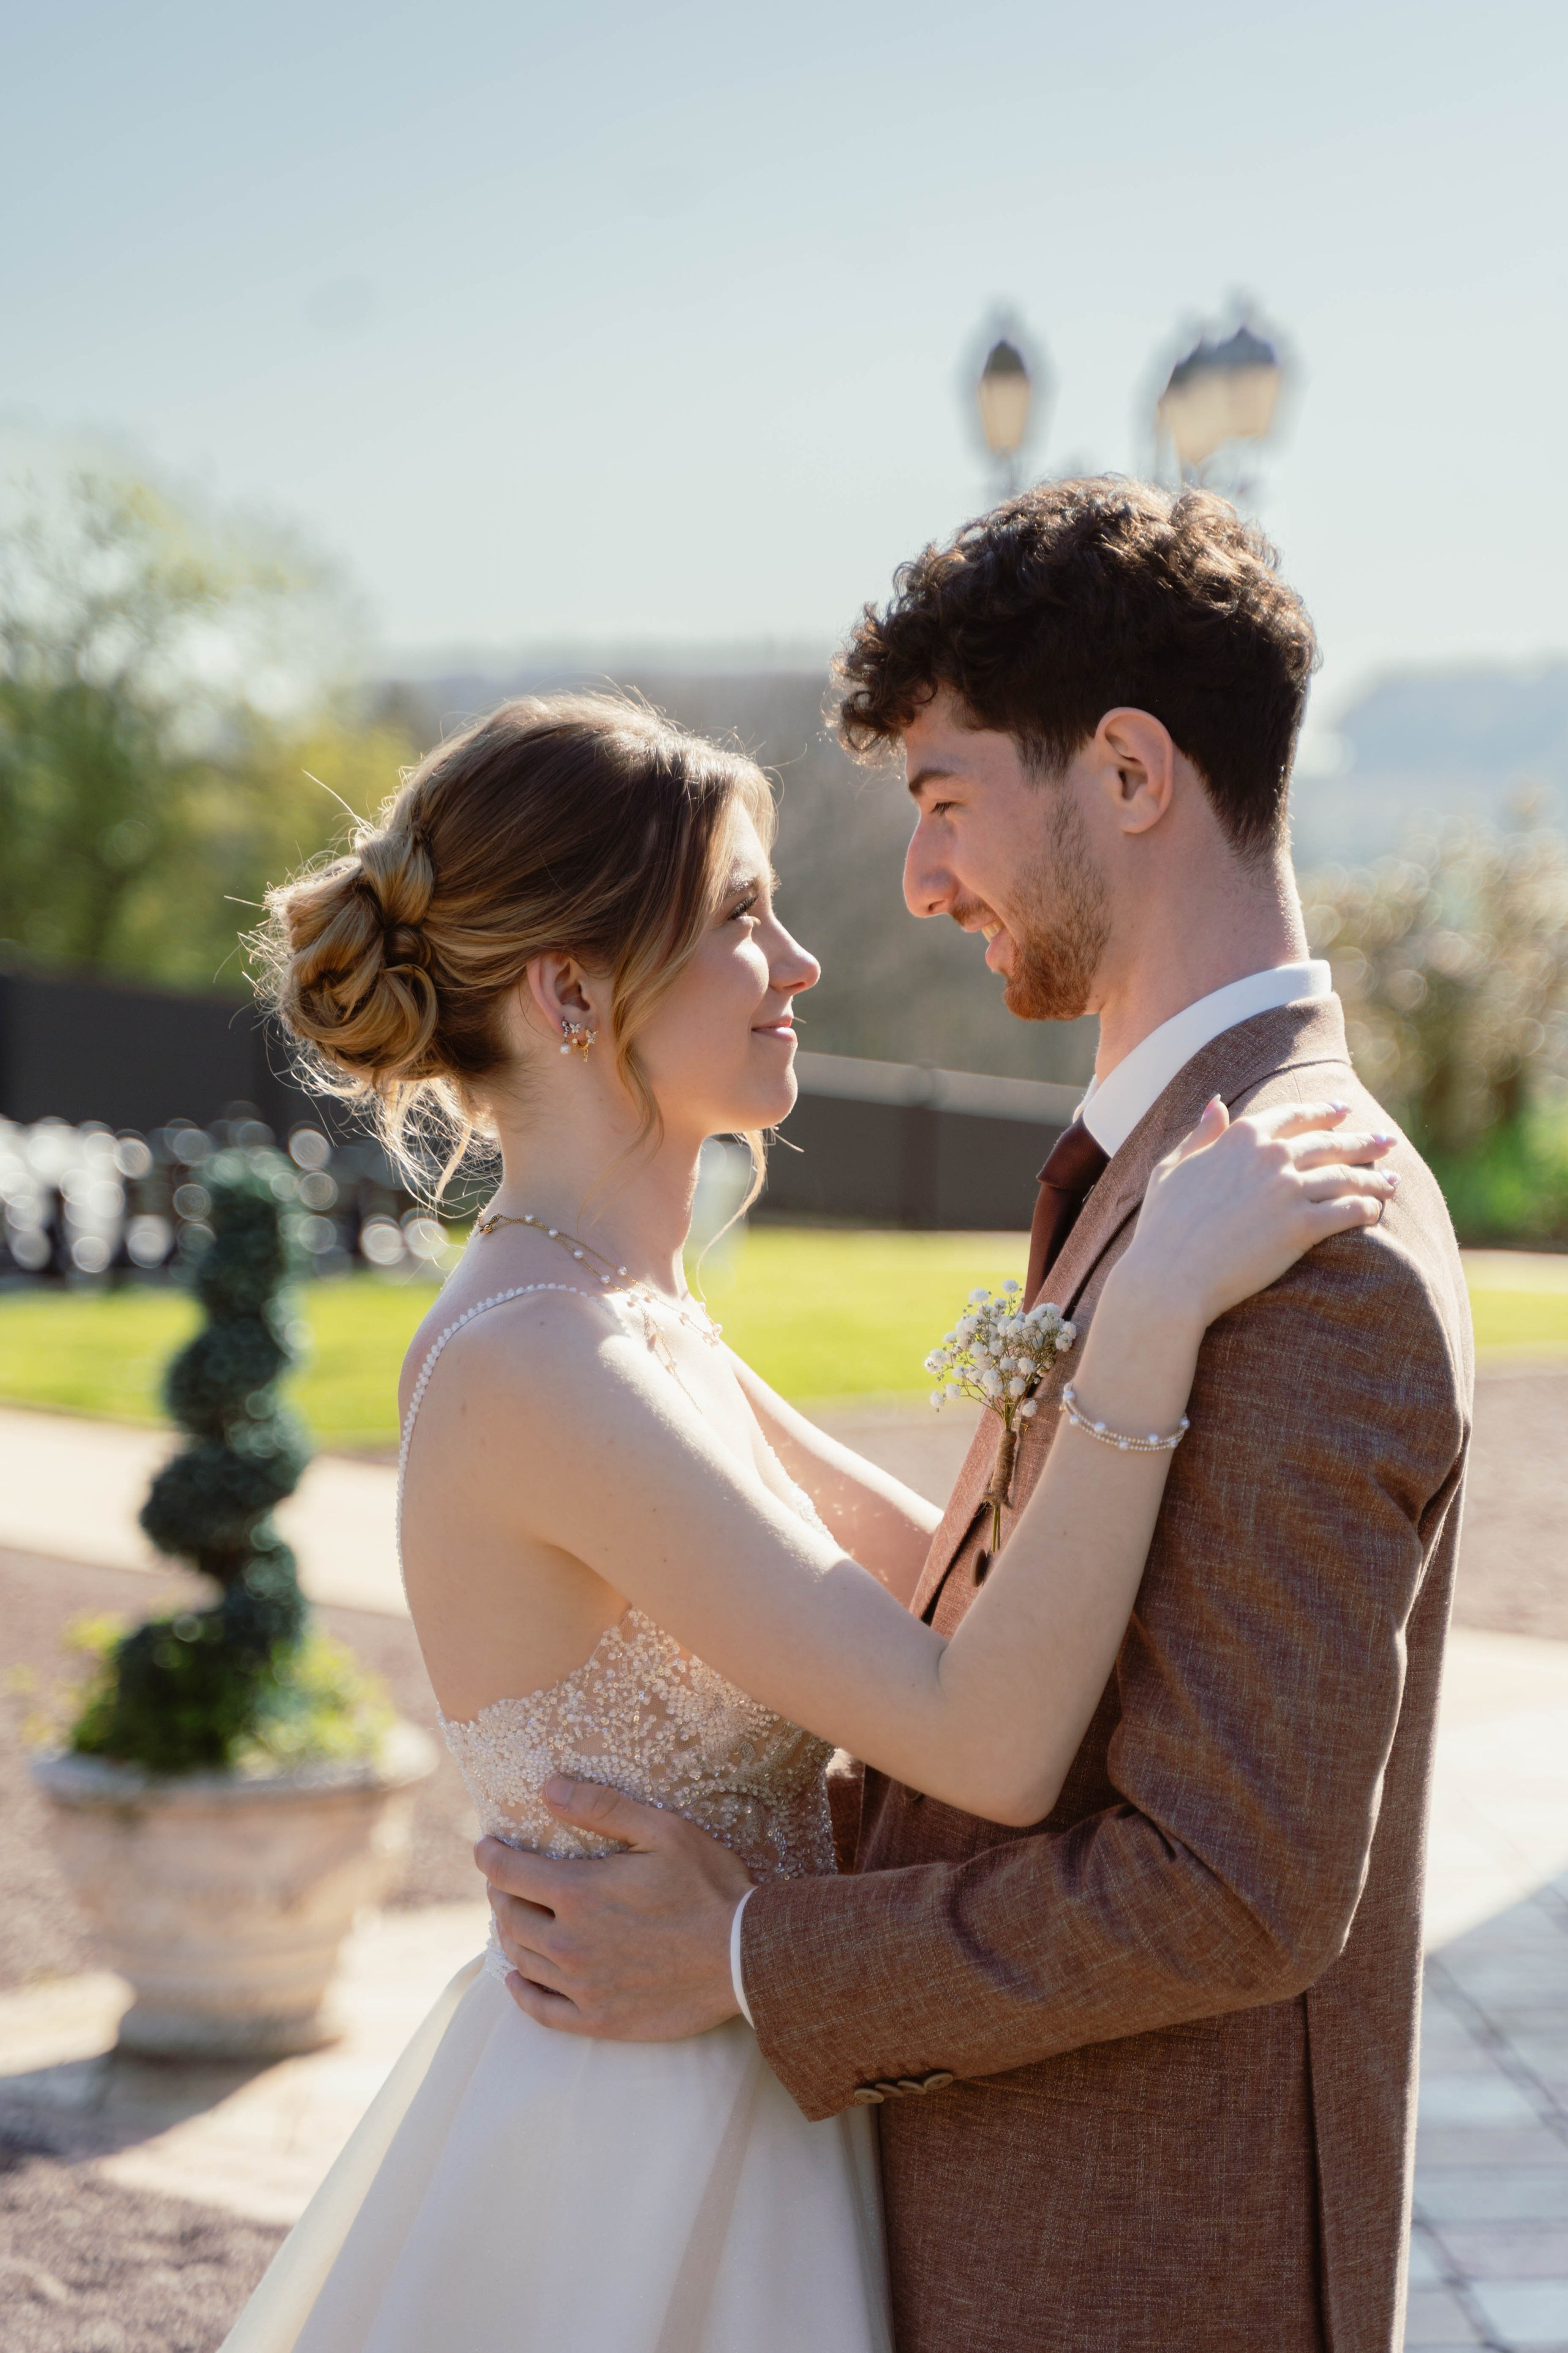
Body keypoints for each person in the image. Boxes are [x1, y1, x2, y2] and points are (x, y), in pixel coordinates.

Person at [221, 682, 1392, 2353]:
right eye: (741, 920)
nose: (800, 963)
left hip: (746, 2095)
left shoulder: (631, 1310)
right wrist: (1147, 1317)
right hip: (631, 2160)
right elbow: (978, 1730)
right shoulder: (535, 1364)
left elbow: (953, 1588)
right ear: (569, 988)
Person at [481, 487, 1474, 2353]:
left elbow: (1233, 1895)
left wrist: (748, 1954)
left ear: (1124, 772)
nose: (922, 883)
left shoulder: (1313, 1252)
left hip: (1143, 2277)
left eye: (945, 800)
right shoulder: (1172, 1176)